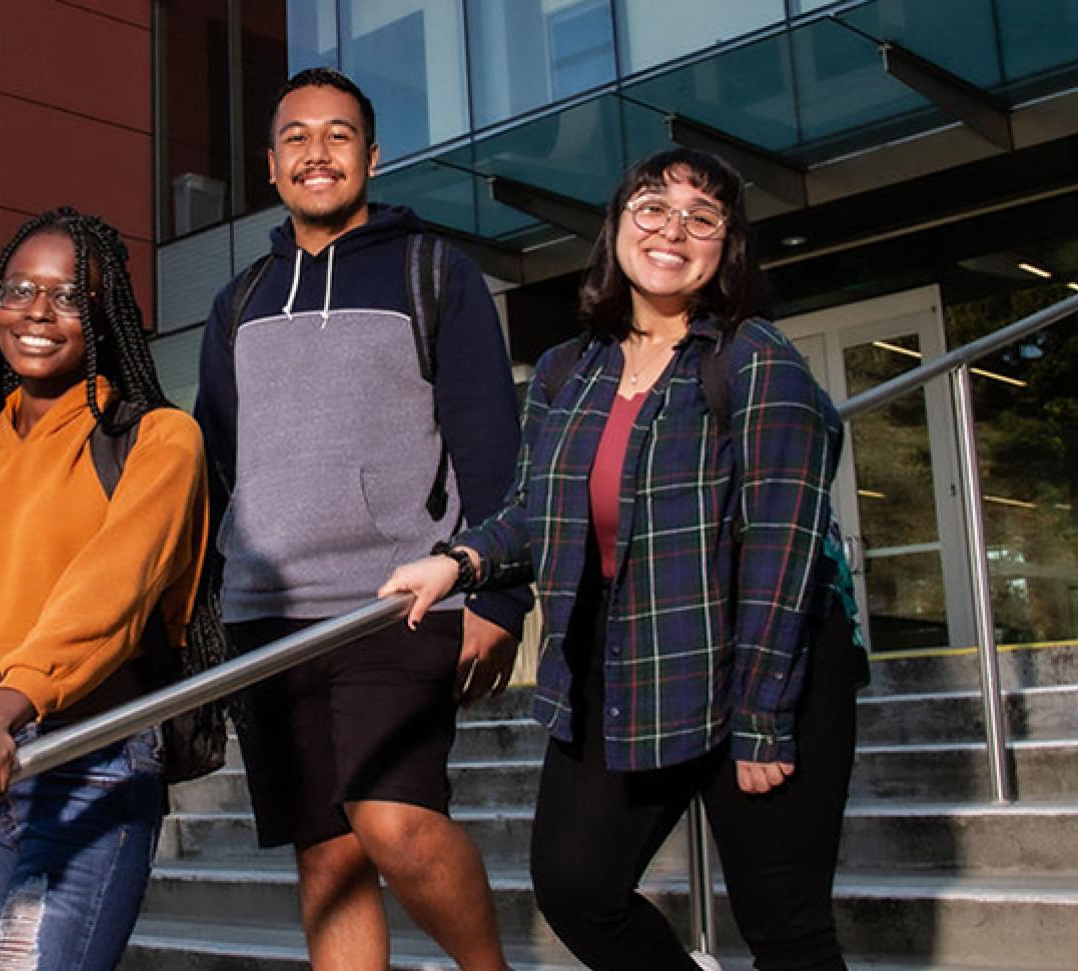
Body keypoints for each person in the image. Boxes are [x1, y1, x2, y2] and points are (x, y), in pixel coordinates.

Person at [381, 147, 868, 971]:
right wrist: (459, 562)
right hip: (629, 662)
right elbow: (535, 513)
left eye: (701, 217)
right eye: (652, 207)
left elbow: (784, 556)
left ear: (726, 247)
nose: (672, 229)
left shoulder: (756, 360)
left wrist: (762, 721)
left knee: (783, 922)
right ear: (617, 229)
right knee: (575, 884)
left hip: (767, 665)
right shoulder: (572, 371)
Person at [194, 68, 531, 970]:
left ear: (372, 157)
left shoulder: (434, 272)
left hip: (396, 599)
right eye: (297, 136)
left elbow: (490, 444)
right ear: (271, 165)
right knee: (328, 854)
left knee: (396, 823)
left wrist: (499, 601)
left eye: (338, 135)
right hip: (266, 614)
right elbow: (216, 465)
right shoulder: (239, 302)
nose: (317, 152)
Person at [0, 208, 208, 971]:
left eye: (66, 296)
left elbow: (110, 594)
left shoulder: (158, 439)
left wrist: (3, 711)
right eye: (19, 288)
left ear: (102, 314)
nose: (36, 311)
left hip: (94, 759)